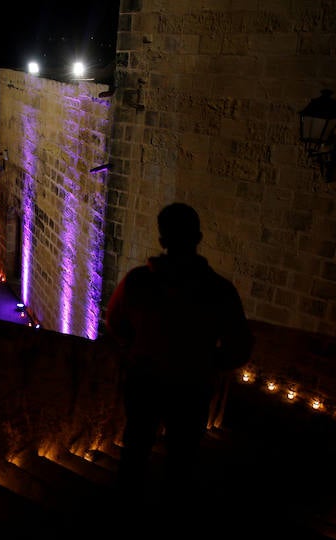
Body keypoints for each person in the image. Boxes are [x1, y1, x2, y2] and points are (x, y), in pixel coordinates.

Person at [104, 202, 254, 505]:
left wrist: (138, 346)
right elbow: (240, 346)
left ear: (162, 241)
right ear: (197, 238)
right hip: (191, 387)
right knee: (182, 459)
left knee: (135, 450)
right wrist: (211, 362)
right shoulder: (219, 291)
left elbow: (115, 323)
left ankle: (124, 516)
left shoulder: (138, 281)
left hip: (144, 381)